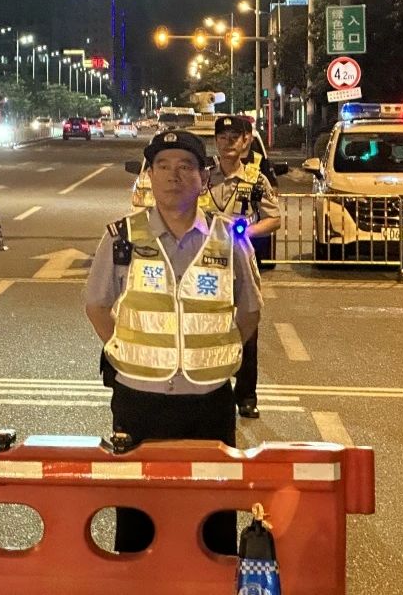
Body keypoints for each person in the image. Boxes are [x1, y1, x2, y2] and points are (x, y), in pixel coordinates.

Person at [84, 129, 262, 555]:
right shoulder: (120, 237)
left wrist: (218, 352)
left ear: (204, 177)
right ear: (148, 176)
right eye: (161, 166)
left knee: (213, 521)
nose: (173, 176)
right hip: (139, 401)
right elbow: (96, 306)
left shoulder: (229, 238)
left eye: (185, 166)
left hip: (208, 402)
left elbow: (250, 310)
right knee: (138, 520)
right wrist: (128, 351)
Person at [200, 115, 281, 420]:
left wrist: (246, 232)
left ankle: (246, 395)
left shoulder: (256, 180)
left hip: (241, 263)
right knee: (205, 326)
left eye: (235, 137)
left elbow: (274, 218)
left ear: (247, 140)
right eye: (222, 137)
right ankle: (208, 388)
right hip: (204, 265)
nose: (228, 142)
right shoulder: (202, 176)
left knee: (247, 327)